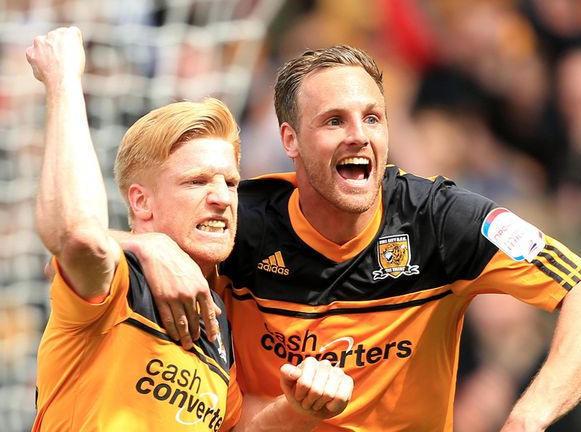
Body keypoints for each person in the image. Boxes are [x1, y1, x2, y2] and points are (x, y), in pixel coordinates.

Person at [118, 45, 581, 431]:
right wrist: (151, 246)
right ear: (289, 141)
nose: (359, 135)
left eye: (372, 117)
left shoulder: (439, 220)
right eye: (334, 120)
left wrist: (527, 419)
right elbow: (87, 259)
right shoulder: (240, 218)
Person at [27, 27, 353, 431]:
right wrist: (63, 80)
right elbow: (77, 234)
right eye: (197, 181)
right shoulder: (118, 282)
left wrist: (303, 406)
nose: (222, 197)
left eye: (230, 182)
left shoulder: (217, 322)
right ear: (141, 202)